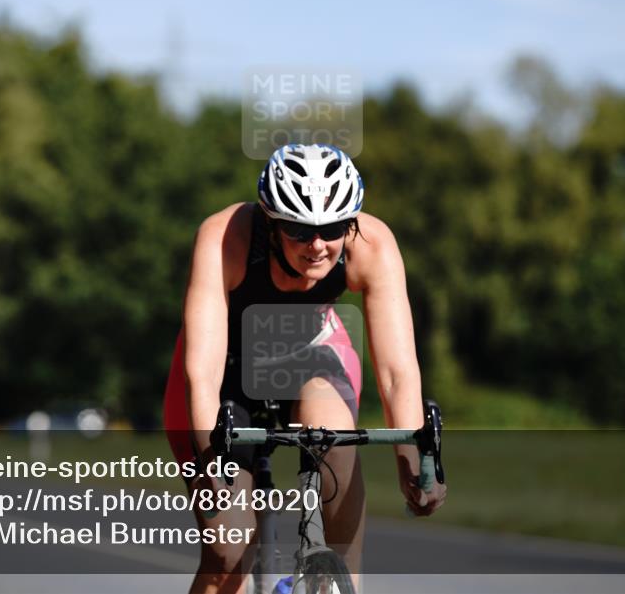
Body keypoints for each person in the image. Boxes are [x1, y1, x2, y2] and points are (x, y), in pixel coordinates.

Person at [163, 144, 447, 594]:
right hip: (225, 374)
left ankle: (340, 580)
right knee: (229, 552)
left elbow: (397, 371)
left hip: (311, 354)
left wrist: (412, 462)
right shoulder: (224, 238)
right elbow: (201, 373)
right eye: (298, 231)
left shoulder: (372, 245)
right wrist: (211, 464)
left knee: (331, 437)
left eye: (332, 228)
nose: (317, 245)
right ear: (271, 223)